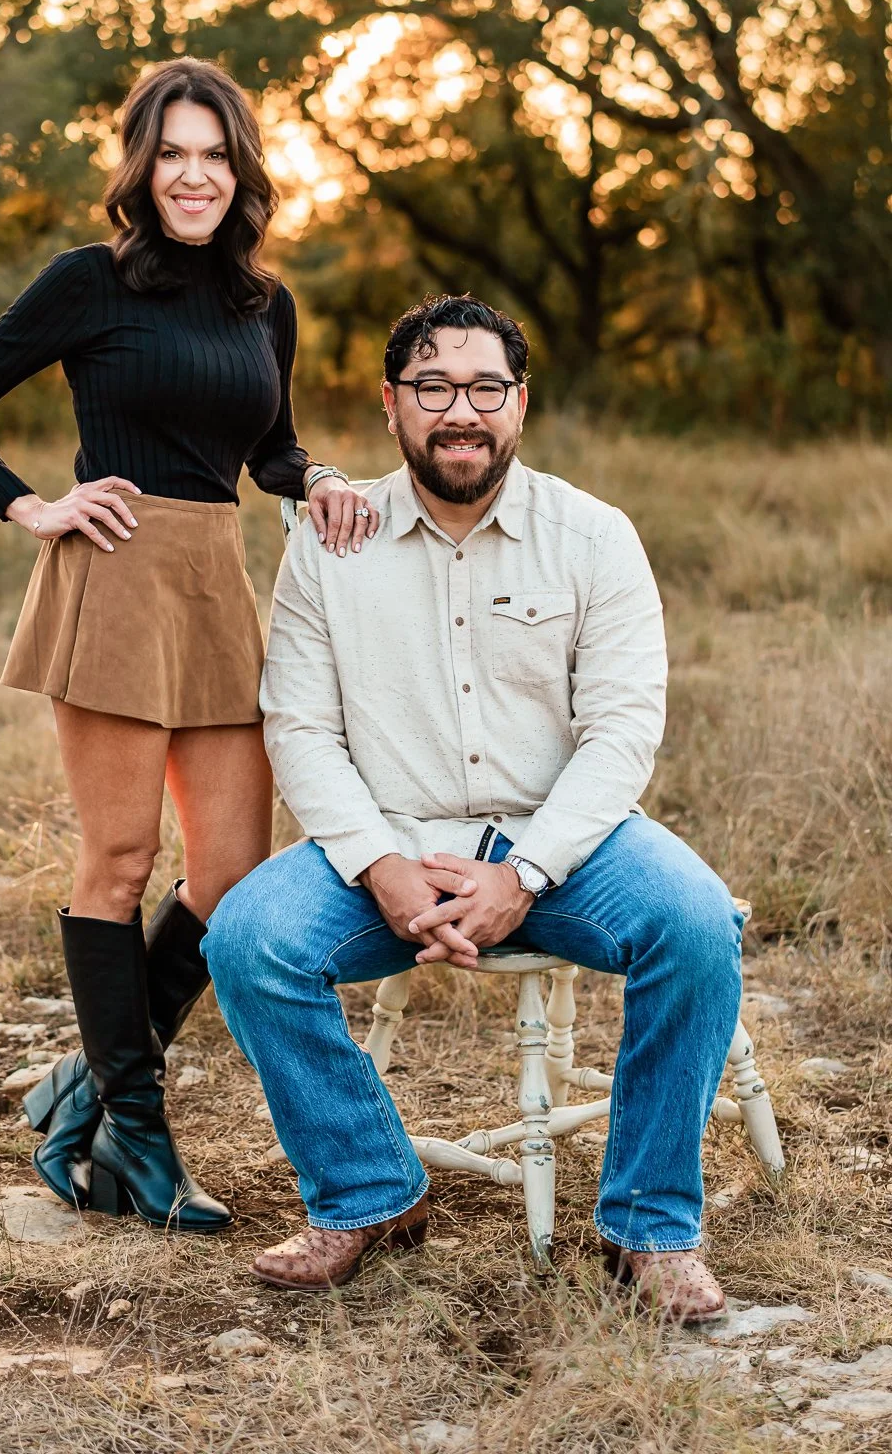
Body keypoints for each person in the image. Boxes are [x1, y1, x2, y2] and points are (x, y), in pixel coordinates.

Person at [204, 293, 744, 1317]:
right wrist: (378, 865)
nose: (462, 410)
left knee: (695, 923)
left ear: (520, 403)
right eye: (434, 387)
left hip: (560, 842)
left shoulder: (592, 535)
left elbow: (621, 731)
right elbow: (300, 727)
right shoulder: (331, 543)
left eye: (485, 387)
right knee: (247, 938)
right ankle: (369, 1195)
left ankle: (647, 1226)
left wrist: (526, 872)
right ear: (390, 404)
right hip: (392, 837)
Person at [0, 57, 375, 1231]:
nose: (193, 175)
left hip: (216, 587)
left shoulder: (264, 306)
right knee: (116, 865)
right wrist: (34, 506)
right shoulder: (88, 283)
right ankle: (138, 1137)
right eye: (171, 153)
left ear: (241, 171)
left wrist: (313, 477)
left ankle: (88, 1081)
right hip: (112, 580)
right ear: (140, 166)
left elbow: (266, 446)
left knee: (233, 880)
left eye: (213, 154)